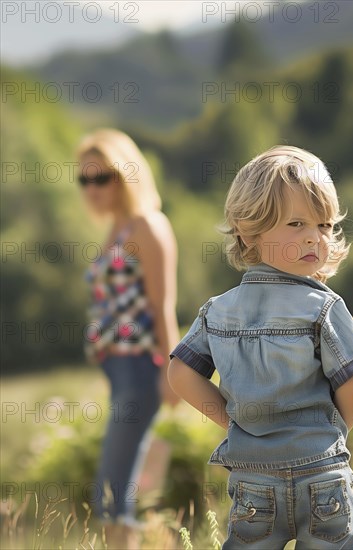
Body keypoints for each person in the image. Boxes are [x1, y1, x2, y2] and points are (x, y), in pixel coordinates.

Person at [167, 145, 353, 549]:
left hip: (254, 479)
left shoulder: (218, 310)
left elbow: (180, 373)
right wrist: (325, 434)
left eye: (324, 225)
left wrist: (232, 423)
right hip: (322, 472)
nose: (313, 238)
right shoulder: (326, 307)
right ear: (249, 231)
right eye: (296, 223)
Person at [77, 128, 180, 548]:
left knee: (112, 486)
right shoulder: (116, 230)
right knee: (119, 481)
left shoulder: (147, 227)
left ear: (126, 175)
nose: (93, 189)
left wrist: (172, 373)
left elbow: (163, 304)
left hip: (140, 368)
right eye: (85, 180)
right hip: (119, 370)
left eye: (103, 178)